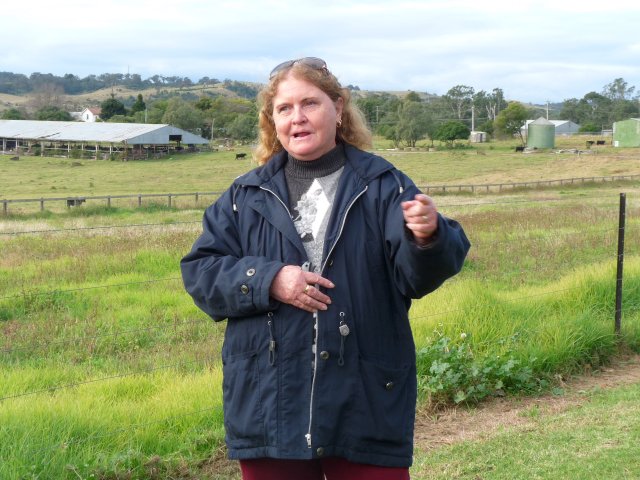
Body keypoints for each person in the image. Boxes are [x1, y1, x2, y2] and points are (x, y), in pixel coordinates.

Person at [181, 57, 470, 480]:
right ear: (272, 121)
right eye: (284, 108)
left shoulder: (383, 185)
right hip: (270, 403)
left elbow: (416, 278)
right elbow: (201, 272)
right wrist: (269, 279)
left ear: (338, 109)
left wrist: (428, 237)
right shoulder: (245, 196)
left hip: (364, 400)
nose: (297, 117)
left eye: (310, 104)